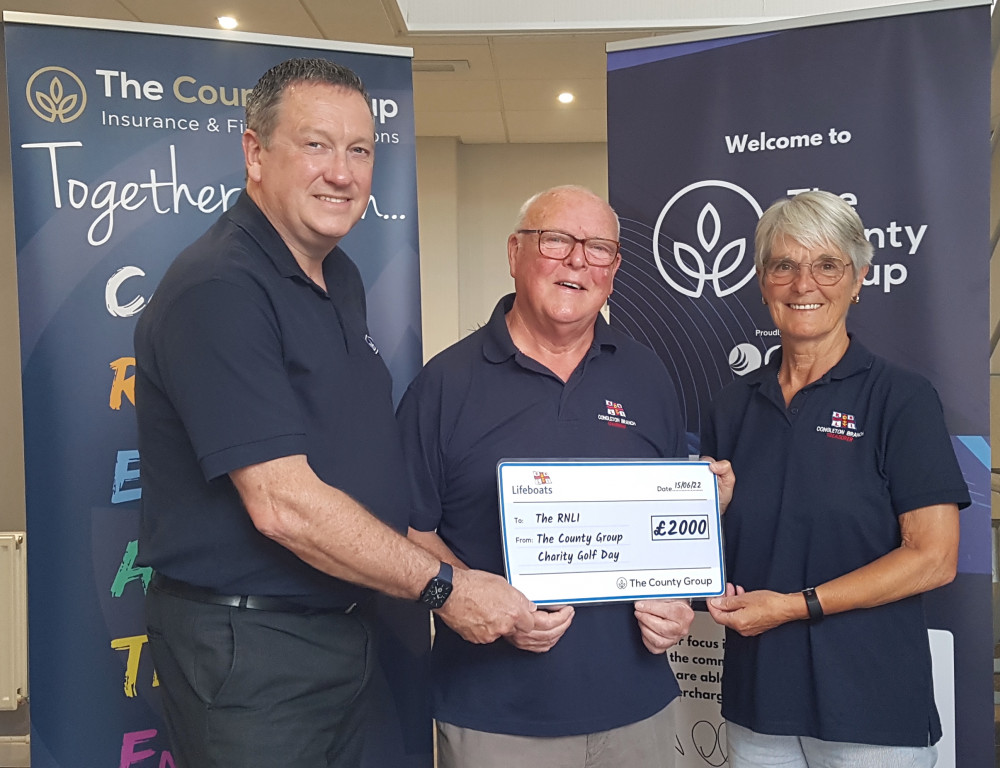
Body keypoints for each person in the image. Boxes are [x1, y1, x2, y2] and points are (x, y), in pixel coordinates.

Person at [133, 57, 534, 768]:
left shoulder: (337, 275)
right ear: (255, 154)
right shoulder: (220, 289)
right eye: (316, 145)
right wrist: (444, 586)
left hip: (341, 630)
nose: (342, 173)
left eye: (360, 151)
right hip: (252, 654)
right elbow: (282, 504)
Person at [396, 185, 734, 768]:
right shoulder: (444, 385)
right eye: (557, 240)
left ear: (615, 268)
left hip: (638, 710)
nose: (578, 260)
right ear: (515, 253)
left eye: (599, 248)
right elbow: (400, 529)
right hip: (496, 716)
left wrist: (678, 591)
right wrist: (464, 596)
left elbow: (659, 527)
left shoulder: (647, 376)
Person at [703, 190, 970, 767]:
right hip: (759, 702)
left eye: (827, 265)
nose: (804, 284)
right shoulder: (730, 407)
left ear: (859, 279)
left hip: (871, 707)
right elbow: (723, 550)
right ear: (761, 279)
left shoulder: (901, 398)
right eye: (784, 265)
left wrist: (794, 607)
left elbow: (934, 557)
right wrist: (707, 520)